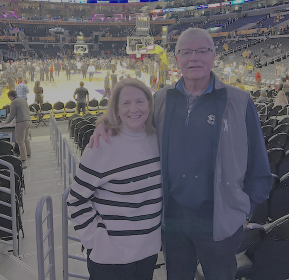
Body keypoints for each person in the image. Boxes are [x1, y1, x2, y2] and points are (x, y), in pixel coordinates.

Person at [90, 28, 272, 280]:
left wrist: (244, 211)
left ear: (213, 55)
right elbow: (132, 127)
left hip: (220, 221)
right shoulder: (162, 99)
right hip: (172, 221)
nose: (194, 58)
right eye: (186, 52)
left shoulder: (239, 101)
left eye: (201, 51)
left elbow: (259, 166)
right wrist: (105, 123)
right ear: (176, 58)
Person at [67, 79, 162, 280]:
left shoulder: (158, 139)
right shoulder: (102, 145)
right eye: (126, 103)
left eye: (140, 101)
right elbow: (76, 199)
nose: (134, 109)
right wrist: (95, 240)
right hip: (111, 260)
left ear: (149, 105)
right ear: (116, 109)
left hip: (148, 253)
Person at [1, 90, 31, 169]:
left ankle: (23, 159)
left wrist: (6, 122)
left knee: (20, 141)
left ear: (11, 96)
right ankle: (28, 153)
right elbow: (24, 111)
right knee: (26, 139)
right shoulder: (23, 100)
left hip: (21, 123)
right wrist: (17, 119)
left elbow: (12, 114)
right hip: (28, 121)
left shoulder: (14, 102)